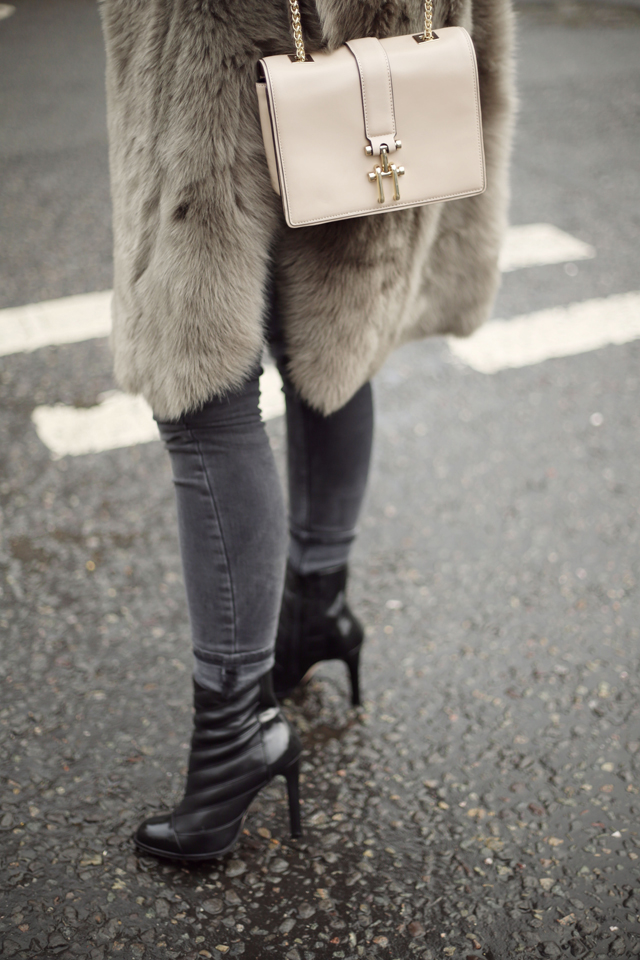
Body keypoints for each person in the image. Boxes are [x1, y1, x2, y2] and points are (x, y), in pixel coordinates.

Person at [99, 0, 514, 861]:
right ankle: (316, 611)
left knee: (202, 386)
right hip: (366, 25)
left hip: (208, 42)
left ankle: (236, 729)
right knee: (327, 332)